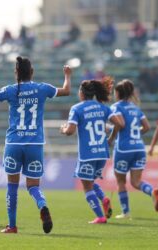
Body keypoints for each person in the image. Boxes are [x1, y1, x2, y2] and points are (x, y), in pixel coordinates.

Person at [0, 56, 71, 233]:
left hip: (14, 143)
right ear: (32, 72)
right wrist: (67, 75)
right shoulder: (42, 88)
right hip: (35, 144)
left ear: (16, 73)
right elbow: (66, 91)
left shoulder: (10, 90)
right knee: (33, 186)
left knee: (12, 186)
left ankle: (12, 226)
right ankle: (42, 205)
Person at [60, 77, 124, 224]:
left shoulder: (77, 108)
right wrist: (111, 140)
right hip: (102, 153)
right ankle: (104, 198)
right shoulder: (103, 108)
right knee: (89, 181)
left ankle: (100, 216)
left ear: (82, 93)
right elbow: (119, 124)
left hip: (87, 154)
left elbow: (70, 131)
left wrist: (63, 129)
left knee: (87, 187)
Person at [108, 79, 158, 219]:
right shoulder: (136, 108)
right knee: (136, 182)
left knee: (121, 182)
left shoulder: (116, 107)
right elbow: (147, 127)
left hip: (124, 149)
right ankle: (151, 192)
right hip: (139, 147)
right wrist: (136, 134)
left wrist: (111, 138)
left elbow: (120, 124)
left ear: (118, 93)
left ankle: (126, 212)